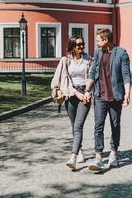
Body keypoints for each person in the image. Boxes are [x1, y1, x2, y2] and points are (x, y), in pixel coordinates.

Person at [84, 28, 131, 170]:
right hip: (100, 95)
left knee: (115, 125)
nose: (96, 43)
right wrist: (87, 90)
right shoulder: (98, 52)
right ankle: (98, 156)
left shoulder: (121, 53)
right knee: (98, 125)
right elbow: (93, 72)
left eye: (98, 40)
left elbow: (126, 75)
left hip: (115, 96)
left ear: (106, 40)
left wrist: (127, 94)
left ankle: (113, 153)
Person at [51, 35, 93, 171]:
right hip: (70, 94)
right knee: (74, 125)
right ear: (72, 46)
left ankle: (73, 157)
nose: (81, 46)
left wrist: (87, 92)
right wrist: (76, 93)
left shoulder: (88, 59)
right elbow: (63, 81)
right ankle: (79, 150)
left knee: (78, 125)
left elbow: (93, 77)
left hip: (84, 94)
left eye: (82, 44)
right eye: (78, 44)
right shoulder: (65, 61)